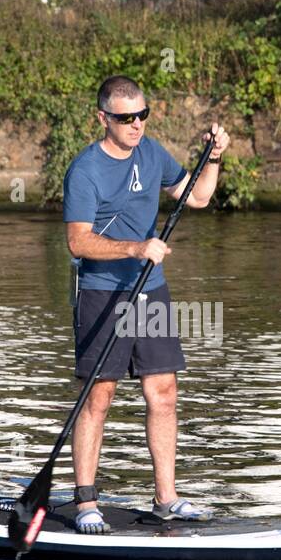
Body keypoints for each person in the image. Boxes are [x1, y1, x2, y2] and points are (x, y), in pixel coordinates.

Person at [61, 75, 229, 534]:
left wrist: (213, 158)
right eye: (125, 117)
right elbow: (77, 242)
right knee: (100, 397)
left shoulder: (152, 153)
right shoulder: (85, 170)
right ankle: (86, 502)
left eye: (142, 114)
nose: (136, 124)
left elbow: (197, 196)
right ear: (103, 119)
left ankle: (166, 499)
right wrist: (135, 248)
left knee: (164, 392)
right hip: (101, 293)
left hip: (149, 291)